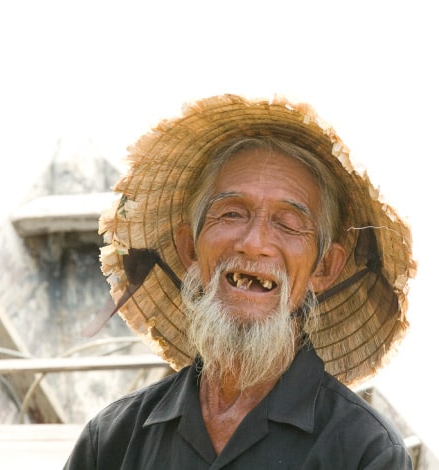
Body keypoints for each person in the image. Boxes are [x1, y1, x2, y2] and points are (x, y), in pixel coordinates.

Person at [64, 94, 417, 469]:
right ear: (190, 250)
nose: (254, 244)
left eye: (288, 224)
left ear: (323, 269)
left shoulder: (365, 452)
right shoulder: (114, 440)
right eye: (231, 214)